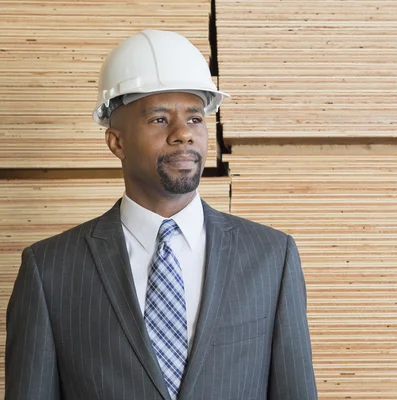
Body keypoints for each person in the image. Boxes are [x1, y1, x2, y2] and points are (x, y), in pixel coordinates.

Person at [5, 29, 318, 400]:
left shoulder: (271, 256)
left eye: (195, 119)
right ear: (116, 142)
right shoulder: (50, 269)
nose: (183, 134)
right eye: (158, 119)